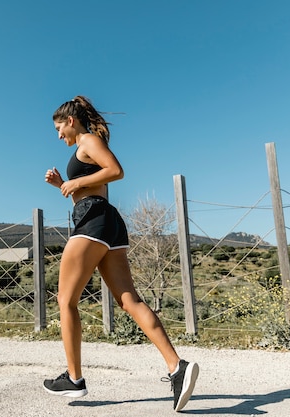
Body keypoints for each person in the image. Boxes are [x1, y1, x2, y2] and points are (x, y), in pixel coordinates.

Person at [42, 95, 199, 412]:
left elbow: (115, 170)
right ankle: (176, 367)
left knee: (65, 300)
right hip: (107, 224)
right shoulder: (84, 148)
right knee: (130, 301)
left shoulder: (87, 140)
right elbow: (89, 190)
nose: (59, 135)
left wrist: (77, 182)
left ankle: (74, 379)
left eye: (59, 128)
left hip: (94, 222)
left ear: (70, 121)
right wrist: (64, 184)